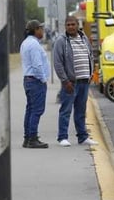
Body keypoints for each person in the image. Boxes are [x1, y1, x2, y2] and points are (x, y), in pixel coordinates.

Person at [53, 16, 99, 147]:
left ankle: (83, 137)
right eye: (68, 25)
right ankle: (62, 137)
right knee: (65, 110)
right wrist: (65, 81)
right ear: (65, 27)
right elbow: (58, 63)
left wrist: (91, 75)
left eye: (73, 24)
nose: (71, 27)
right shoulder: (61, 41)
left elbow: (90, 55)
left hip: (84, 81)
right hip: (71, 83)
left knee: (81, 110)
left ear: (78, 25)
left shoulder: (84, 39)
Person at [20, 20, 50, 149]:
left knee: (30, 109)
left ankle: (27, 138)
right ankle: (32, 138)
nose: (42, 31)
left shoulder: (26, 43)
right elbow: (37, 65)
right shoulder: (34, 45)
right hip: (35, 80)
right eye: (41, 29)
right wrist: (43, 79)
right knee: (37, 110)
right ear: (36, 30)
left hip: (28, 79)